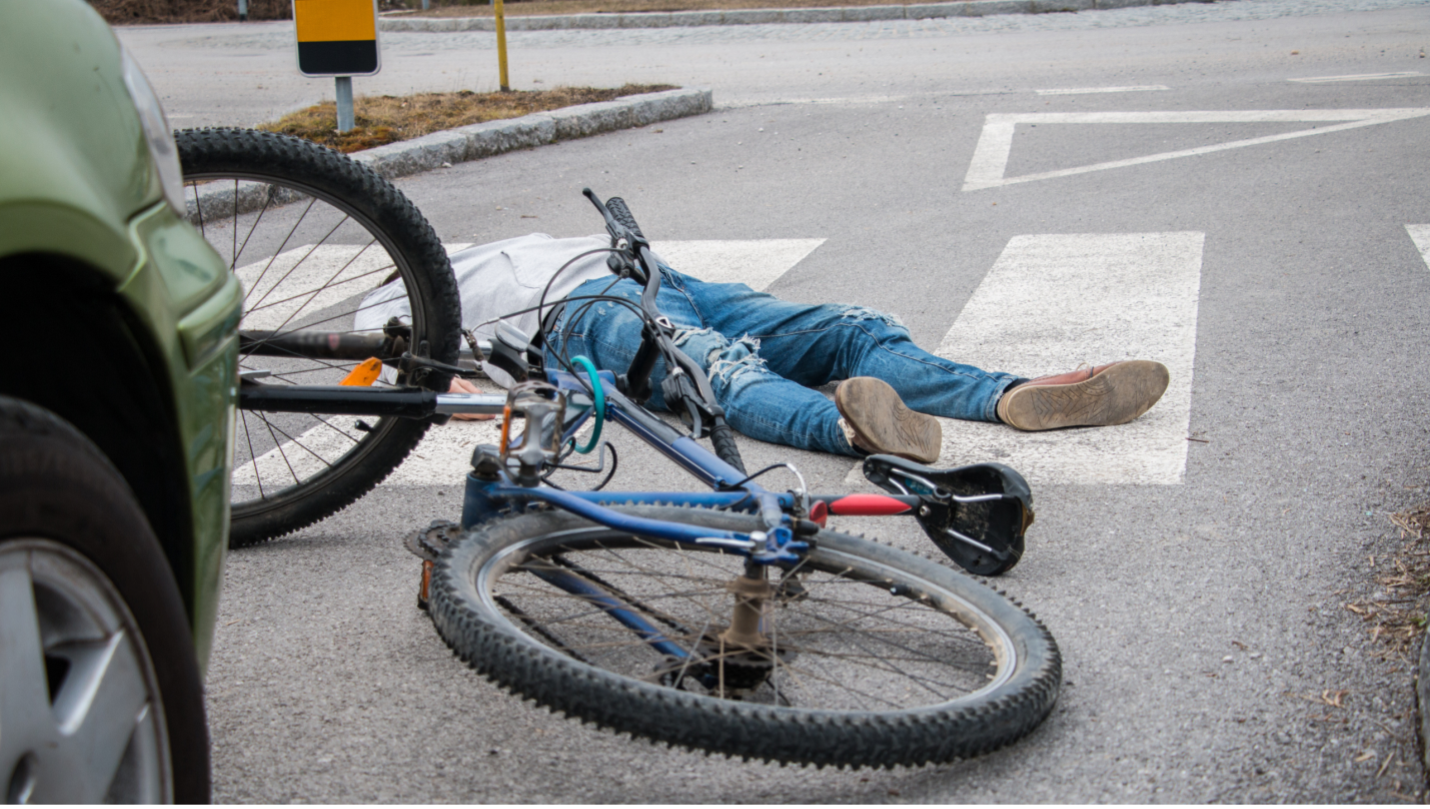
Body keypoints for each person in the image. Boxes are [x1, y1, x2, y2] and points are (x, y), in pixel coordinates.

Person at [359, 233, 1170, 464]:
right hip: (584, 319)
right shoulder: (391, 293)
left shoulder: (434, 243)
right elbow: (418, 367)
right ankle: (854, 428)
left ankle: (1011, 393)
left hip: (657, 275)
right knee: (723, 370)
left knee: (851, 327)